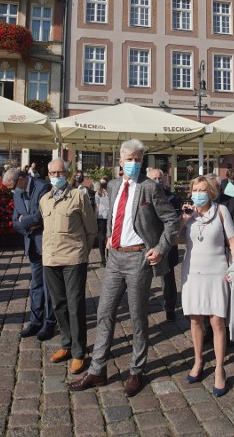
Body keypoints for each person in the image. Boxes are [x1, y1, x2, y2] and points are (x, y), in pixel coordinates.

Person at [68, 139, 179, 398]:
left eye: (138, 159)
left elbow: (171, 220)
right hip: (115, 258)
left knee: (138, 316)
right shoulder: (115, 186)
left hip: (139, 257)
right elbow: (112, 216)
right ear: (120, 162)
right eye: (129, 159)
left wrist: (160, 248)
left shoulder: (150, 187)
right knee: (105, 312)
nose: (133, 164)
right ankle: (97, 370)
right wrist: (108, 237)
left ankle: (136, 370)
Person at [178, 175, 234, 397]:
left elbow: (232, 241)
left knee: (217, 322)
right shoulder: (188, 213)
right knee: (195, 320)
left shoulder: (221, 211)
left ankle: (219, 369)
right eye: (195, 189)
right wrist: (183, 220)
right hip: (193, 273)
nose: (198, 193)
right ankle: (198, 361)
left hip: (216, 272)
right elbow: (176, 239)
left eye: (203, 189)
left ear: (211, 192)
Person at [39, 158, 97, 375]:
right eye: (52, 173)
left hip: (73, 258)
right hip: (51, 258)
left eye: (60, 172)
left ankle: (79, 351)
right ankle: (66, 344)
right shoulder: (44, 199)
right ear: (48, 175)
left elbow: (91, 229)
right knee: (59, 305)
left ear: (67, 173)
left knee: (75, 305)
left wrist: (82, 252)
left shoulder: (79, 196)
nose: (56, 176)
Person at [3, 167, 55, 340]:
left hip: (45, 243)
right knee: (35, 284)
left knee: (49, 287)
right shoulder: (17, 193)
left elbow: (41, 217)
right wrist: (26, 225)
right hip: (31, 243)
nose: (12, 191)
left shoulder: (42, 188)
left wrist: (23, 221)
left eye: (13, 187)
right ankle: (35, 321)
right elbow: (14, 220)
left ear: (21, 179)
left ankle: (49, 322)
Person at [148, 167, 182, 321]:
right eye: (154, 178)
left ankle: (170, 307)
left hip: (166, 244)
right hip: (147, 243)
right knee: (142, 277)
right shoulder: (143, 196)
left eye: (160, 178)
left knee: (168, 278)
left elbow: (176, 221)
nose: (158, 181)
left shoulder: (172, 198)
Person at [94, 177, 110, 266]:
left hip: (109, 216)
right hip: (101, 217)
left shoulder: (111, 193)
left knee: (109, 237)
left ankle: (108, 256)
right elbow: (97, 206)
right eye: (102, 182)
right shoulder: (98, 193)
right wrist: (95, 217)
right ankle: (103, 259)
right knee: (101, 238)